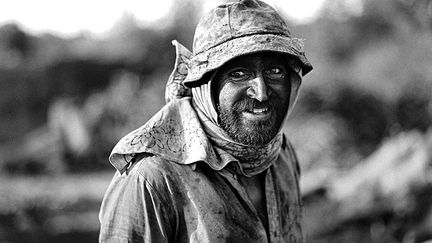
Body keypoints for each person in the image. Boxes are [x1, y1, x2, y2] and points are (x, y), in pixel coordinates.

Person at [99, 0, 313, 242]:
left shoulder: (282, 156)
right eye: (239, 74)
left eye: (275, 72)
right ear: (205, 86)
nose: (261, 93)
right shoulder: (152, 180)